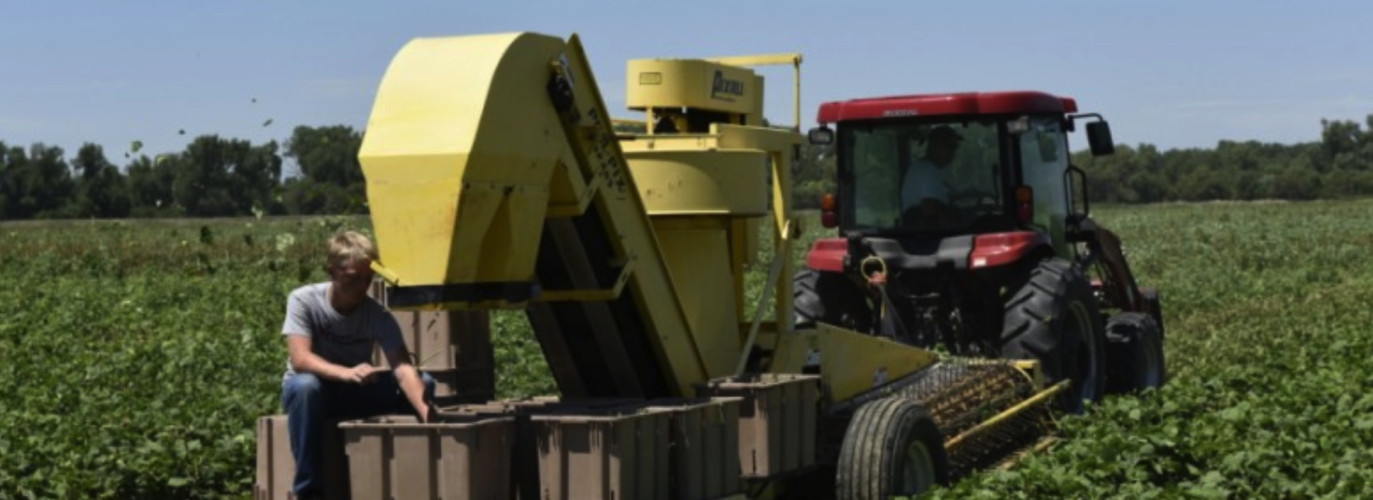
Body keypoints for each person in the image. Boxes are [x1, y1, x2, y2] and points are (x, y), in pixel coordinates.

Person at [279, 230, 436, 499]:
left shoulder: (377, 313)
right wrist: (346, 373)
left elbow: (402, 367)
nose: (362, 286)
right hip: (315, 392)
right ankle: (309, 491)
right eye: (354, 278)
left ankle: (407, 475)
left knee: (426, 383)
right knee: (306, 387)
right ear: (332, 271)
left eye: (368, 278)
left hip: (354, 391)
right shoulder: (304, 300)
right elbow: (300, 359)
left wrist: (425, 410)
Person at [900, 125, 963, 224]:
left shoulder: (922, 168)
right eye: (948, 147)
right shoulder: (928, 171)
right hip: (926, 235)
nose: (952, 153)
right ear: (933, 147)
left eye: (955, 147)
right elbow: (929, 207)